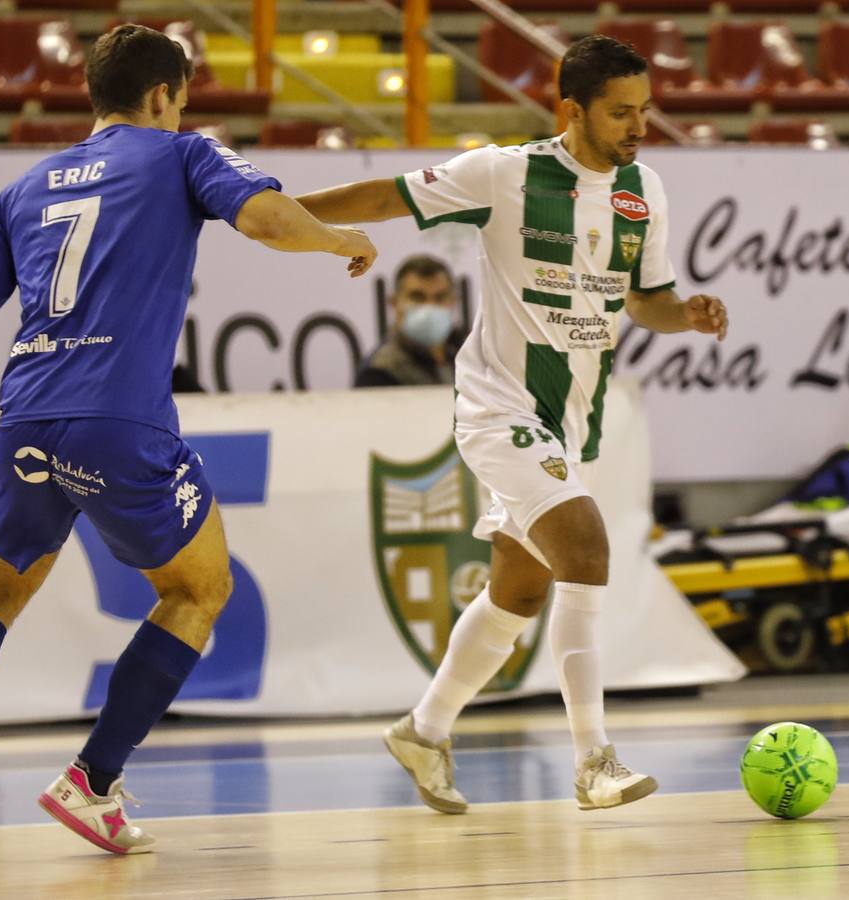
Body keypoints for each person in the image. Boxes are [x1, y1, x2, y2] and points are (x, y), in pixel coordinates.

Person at [0, 25, 376, 856]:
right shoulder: (181, 153)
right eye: (183, 99)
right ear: (163, 96)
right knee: (198, 590)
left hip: (24, 414)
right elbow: (268, 218)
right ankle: (92, 782)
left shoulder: (24, 187)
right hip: (117, 420)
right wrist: (338, 240)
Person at [297, 35, 728, 813]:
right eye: (621, 113)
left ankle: (424, 731)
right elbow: (386, 196)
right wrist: (279, 216)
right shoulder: (505, 173)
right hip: (501, 407)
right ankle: (596, 759)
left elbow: (645, 298)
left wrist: (684, 315)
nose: (638, 127)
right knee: (585, 544)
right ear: (571, 111)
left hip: (573, 422)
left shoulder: (644, 191)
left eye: (645, 110)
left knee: (519, 592)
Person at [355, 254, 461, 387]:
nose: (430, 306)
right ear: (395, 303)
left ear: (453, 301)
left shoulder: (469, 356)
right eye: (418, 297)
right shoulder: (379, 372)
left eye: (440, 297)